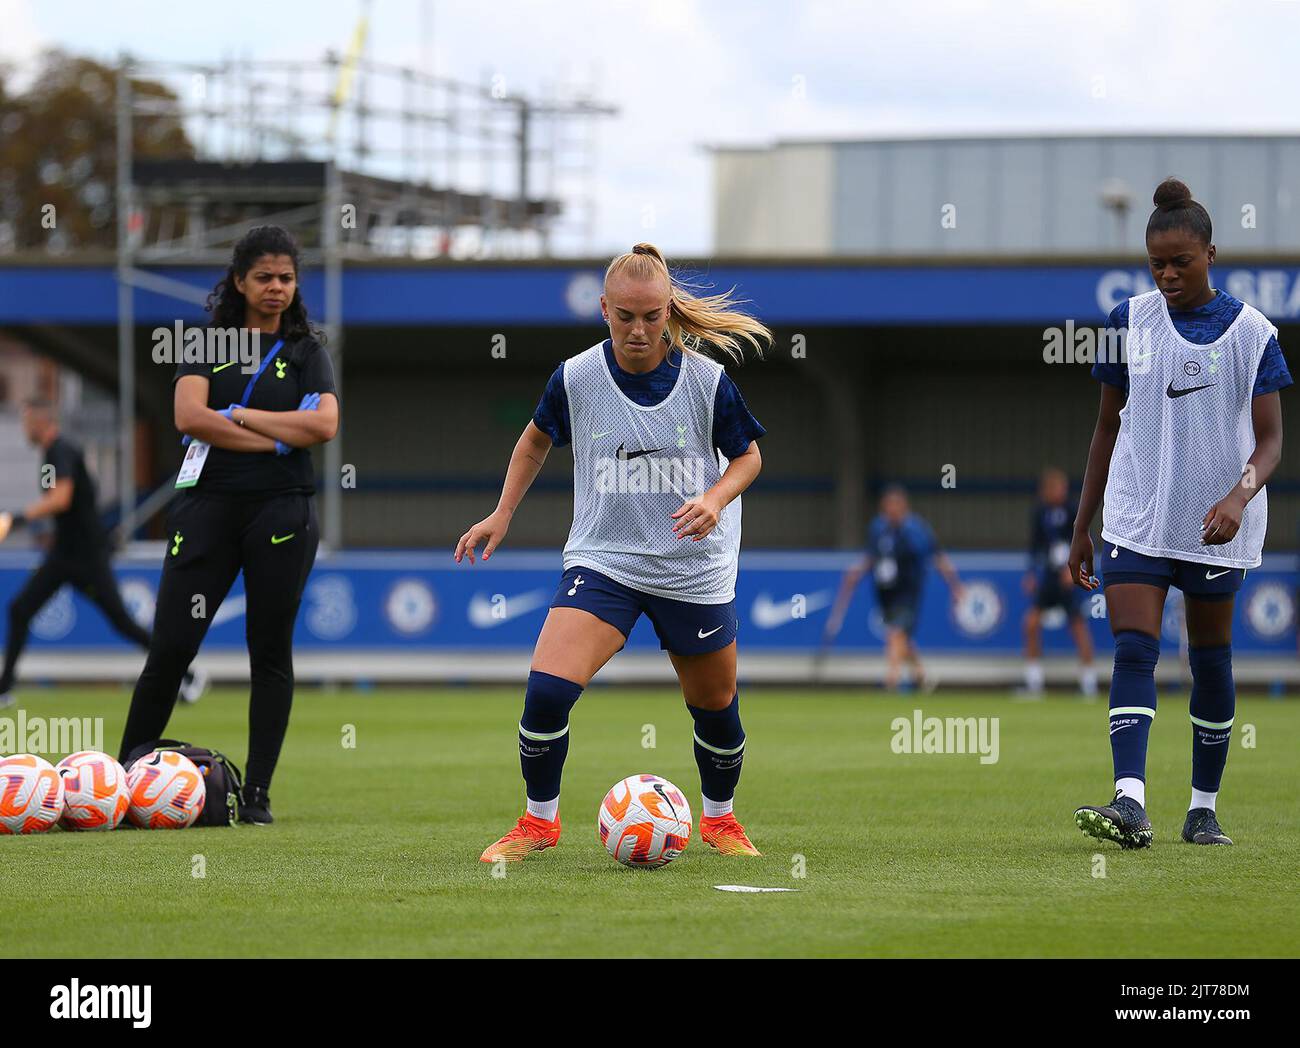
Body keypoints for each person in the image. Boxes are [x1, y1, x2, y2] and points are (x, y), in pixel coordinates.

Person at [457, 242, 770, 862]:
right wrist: (502, 512)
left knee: (714, 708)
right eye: (625, 315)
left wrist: (714, 498)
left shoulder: (707, 381)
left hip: (693, 570)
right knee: (546, 691)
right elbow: (534, 441)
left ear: (669, 311)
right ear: (604, 309)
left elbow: (749, 457)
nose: (638, 328)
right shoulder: (576, 377)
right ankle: (538, 824)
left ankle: (721, 821)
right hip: (606, 560)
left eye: (652, 316)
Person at [1070, 178, 1291, 849]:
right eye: (1157, 263)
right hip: (1139, 520)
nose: (1167, 274)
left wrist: (1237, 495)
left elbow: (1274, 440)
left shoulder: (1255, 336)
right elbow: (1106, 427)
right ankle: (1129, 802)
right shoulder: (1126, 323)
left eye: (1181, 262)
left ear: (1211, 254)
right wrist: (1082, 526)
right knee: (1134, 647)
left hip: (1216, 528)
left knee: (1213, 660)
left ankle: (1203, 809)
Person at [117, 225, 339, 824]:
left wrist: (237, 415)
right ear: (238, 281)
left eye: (286, 278)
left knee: (269, 653)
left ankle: (258, 794)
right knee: (171, 648)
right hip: (207, 508)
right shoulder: (204, 342)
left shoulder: (306, 350)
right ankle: (121, 779)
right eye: (264, 277)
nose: (276, 289)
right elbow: (188, 417)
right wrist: (275, 431)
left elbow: (322, 427)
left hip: (283, 512)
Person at [0, 399, 206, 708]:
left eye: (28, 421)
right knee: (20, 609)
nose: (26, 428)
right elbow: (61, 501)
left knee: (122, 621)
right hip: (64, 554)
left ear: (42, 421)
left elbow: (60, 499)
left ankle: (187, 673)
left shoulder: (60, 450)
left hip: (85, 557)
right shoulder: (49, 456)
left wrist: (14, 518)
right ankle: (5, 687)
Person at [824, 485, 963, 690]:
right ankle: (921, 676)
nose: (890, 511)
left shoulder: (917, 531)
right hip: (885, 591)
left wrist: (956, 587)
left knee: (896, 633)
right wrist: (857, 571)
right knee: (901, 637)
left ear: (903, 507)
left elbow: (939, 558)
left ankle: (892, 679)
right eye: (886, 507)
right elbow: (871, 556)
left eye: (894, 507)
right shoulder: (878, 528)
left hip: (909, 590)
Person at [1021, 467, 1097, 696]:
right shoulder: (1039, 513)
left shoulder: (1073, 510)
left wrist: (1076, 568)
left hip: (1070, 575)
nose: (1059, 492)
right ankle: (1034, 683)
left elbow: (1085, 541)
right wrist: (1032, 573)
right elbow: (1035, 546)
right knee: (1031, 623)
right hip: (1049, 577)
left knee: (1078, 625)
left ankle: (1088, 683)